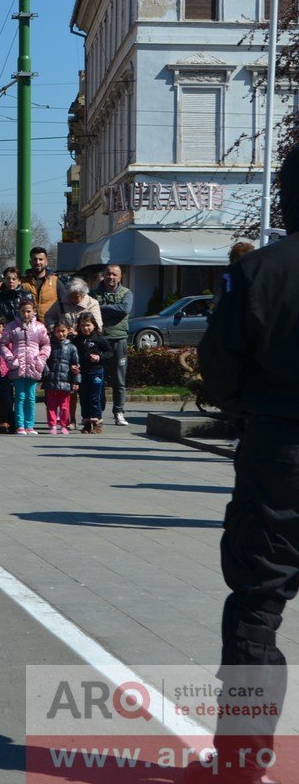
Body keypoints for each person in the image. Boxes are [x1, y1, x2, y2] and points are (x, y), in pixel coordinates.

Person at [197, 148, 299, 781]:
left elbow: (218, 367)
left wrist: (246, 408)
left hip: (279, 452)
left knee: (257, 606)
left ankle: (240, 761)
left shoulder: (258, 273)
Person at [0, 298, 51, 436]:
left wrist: (41, 358)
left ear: (34, 311)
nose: (26, 314)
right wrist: (10, 358)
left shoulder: (39, 327)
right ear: (19, 312)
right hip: (18, 366)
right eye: (23, 311)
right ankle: (20, 426)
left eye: (28, 311)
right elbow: (3, 344)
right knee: (20, 397)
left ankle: (30, 425)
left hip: (34, 366)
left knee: (31, 397)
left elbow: (46, 344)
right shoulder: (12, 327)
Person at [92, 264, 132, 427]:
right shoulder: (94, 293)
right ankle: (97, 413)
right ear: (104, 275)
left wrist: (102, 308)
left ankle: (119, 412)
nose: (111, 277)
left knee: (119, 380)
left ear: (120, 277)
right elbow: (90, 311)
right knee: (97, 379)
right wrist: (111, 310)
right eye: (108, 274)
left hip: (119, 340)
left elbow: (124, 309)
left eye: (115, 275)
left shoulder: (127, 293)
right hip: (100, 339)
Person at [74, 312, 111, 434]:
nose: (85, 328)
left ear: (94, 325)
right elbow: (73, 355)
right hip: (82, 372)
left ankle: (97, 422)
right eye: (82, 325)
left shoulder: (98, 338)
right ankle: (86, 422)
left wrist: (99, 357)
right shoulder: (77, 340)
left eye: (88, 325)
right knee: (84, 397)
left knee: (95, 397)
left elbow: (110, 352)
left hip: (96, 372)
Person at [41, 320, 80, 435]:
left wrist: (76, 380)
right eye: (58, 331)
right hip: (51, 380)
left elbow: (76, 365)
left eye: (63, 331)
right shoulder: (49, 345)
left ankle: (64, 425)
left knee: (64, 406)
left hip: (66, 381)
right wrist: (46, 372)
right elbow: (44, 360)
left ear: (68, 331)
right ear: (54, 332)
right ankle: (52, 424)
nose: (61, 334)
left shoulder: (72, 347)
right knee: (51, 405)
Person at [21, 246, 61, 321]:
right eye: (35, 259)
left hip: (50, 327)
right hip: (29, 327)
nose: (38, 262)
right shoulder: (22, 282)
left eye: (41, 259)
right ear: (30, 262)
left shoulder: (56, 281)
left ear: (46, 261)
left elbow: (64, 303)